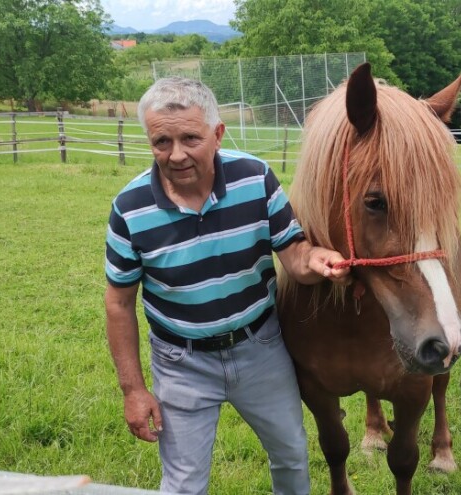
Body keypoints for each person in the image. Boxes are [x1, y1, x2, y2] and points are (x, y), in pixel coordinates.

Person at [104, 76, 350, 495]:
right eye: (162, 142)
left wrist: (316, 260)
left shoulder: (255, 178)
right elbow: (119, 304)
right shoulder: (130, 208)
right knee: (183, 484)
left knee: (291, 455)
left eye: (190, 138)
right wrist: (133, 389)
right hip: (181, 362)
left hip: (260, 349)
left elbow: (295, 255)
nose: (176, 154)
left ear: (217, 134)